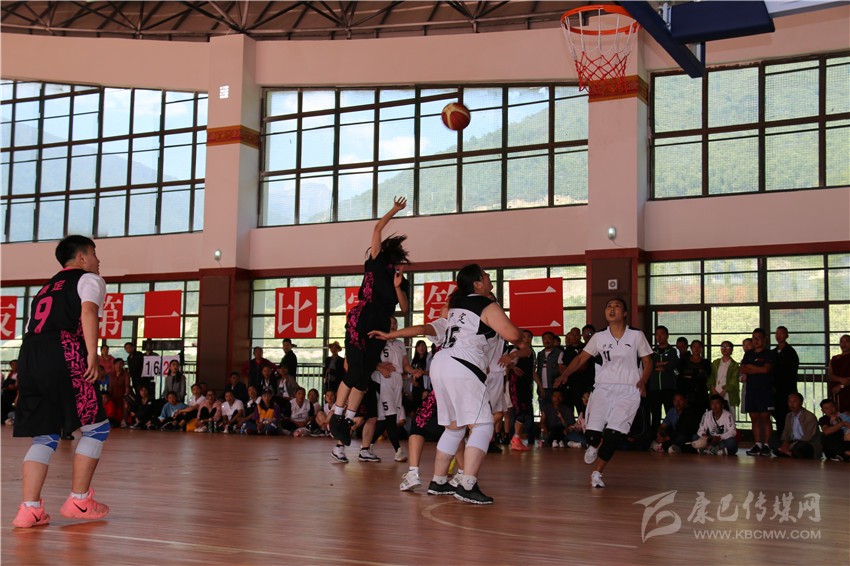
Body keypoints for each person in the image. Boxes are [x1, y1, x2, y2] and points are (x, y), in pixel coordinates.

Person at [378, 264, 525, 504]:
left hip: (441, 365)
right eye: (486, 275)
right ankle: (467, 484)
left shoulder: (455, 308)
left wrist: (390, 334)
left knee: (454, 427)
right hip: (463, 366)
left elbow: (424, 327)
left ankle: (438, 481)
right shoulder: (486, 305)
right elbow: (515, 336)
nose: (489, 278)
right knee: (483, 425)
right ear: (477, 283)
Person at [11, 235, 111, 528]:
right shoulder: (88, 279)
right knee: (96, 427)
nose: (98, 260)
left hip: (30, 356)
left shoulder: (44, 289)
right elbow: (88, 311)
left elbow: (31, 329)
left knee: (44, 435)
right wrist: (92, 353)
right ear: (81, 257)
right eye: (94, 253)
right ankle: (79, 501)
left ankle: (29, 509)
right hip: (64, 351)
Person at [330, 197, 411, 449]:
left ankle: (346, 420)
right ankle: (336, 416)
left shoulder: (400, 279)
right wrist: (394, 209)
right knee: (355, 370)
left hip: (381, 325)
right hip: (362, 316)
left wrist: (397, 287)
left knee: (364, 375)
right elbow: (377, 228)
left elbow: (405, 308)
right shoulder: (376, 260)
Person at [555, 297, 652, 488]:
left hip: (629, 390)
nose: (612, 309)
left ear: (625, 313)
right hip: (603, 388)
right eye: (609, 306)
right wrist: (565, 374)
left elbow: (648, 362)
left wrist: (643, 381)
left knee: (612, 435)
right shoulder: (599, 337)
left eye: (617, 306)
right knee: (592, 435)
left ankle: (597, 474)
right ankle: (592, 444)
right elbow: (581, 358)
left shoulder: (636, 335)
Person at [741, 328, 775, 457]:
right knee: (754, 418)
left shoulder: (769, 354)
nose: (756, 340)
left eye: (758, 338)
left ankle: (766, 445)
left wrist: (752, 368)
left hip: (765, 391)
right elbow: (743, 369)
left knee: (765, 417)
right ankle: (757, 444)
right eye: (754, 338)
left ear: (765, 339)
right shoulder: (748, 354)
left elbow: (766, 370)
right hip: (751, 391)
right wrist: (757, 369)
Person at [648, 326, 678, 433]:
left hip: (668, 387)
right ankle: (654, 436)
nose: (659, 336)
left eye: (662, 334)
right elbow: (650, 365)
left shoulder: (672, 351)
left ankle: (670, 435)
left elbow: (673, 364)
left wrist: (662, 366)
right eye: (657, 334)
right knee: (655, 414)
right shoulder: (652, 351)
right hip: (654, 388)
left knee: (670, 412)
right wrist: (664, 363)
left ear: (667, 335)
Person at [771, 393, 820, 459]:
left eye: (795, 401)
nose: (792, 404)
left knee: (800, 447)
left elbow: (808, 437)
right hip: (792, 441)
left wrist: (790, 446)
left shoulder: (810, 416)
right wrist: (785, 442)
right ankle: (788, 452)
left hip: (807, 443)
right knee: (772, 439)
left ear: (801, 402)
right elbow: (786, 432)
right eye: (790, 402)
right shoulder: (789, 416)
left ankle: (786, 452)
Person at [772, 326, 799, 436]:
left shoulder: (790, 352)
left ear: (786, 335)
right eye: (777, 333)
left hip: (787, 388)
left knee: (787, 414)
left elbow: (791, 371)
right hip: (775, 389)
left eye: (781, 333)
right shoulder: (773, 352)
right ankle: (780, 438)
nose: (778, 336)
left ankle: (789, 438)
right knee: (777, 414)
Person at [678, 340, 711, 415]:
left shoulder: (706, 362)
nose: (696, 349)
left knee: (701, 415)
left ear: (702, 349)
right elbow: (681, 374)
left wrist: (690, 374)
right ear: (691, 348)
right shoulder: (684, 361)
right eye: (694, 347)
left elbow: (705, 375)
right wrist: (697, 371)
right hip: (686, 393)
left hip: (701, 393)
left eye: (699, 347)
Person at [708, 341, 740, 410]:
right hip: (715, 390)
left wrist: (724, 391)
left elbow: (734, 380)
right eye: (722, 347)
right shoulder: (715, 362)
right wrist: (713, 390)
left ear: (731, 349)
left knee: (729, 412)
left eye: (727, 347)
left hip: (728, 393)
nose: (724, 349)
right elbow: (711, 377)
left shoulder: (734, 365)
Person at [828, 335, 850, 412]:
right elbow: (830, 375)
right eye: (841, 341)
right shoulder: (835, 358)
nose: (844, 344)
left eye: (847, 341)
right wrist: (841, 379)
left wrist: (841, 386)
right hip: (836, 393)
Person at [2, 359, 19, 424]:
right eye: (11, 365)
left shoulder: (19, 374)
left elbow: (15, 386)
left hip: (12, 393)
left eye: (14, 364)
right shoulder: (11, 374)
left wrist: (9, 385)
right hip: (7, 391)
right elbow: (5, 384)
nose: (13, 366)